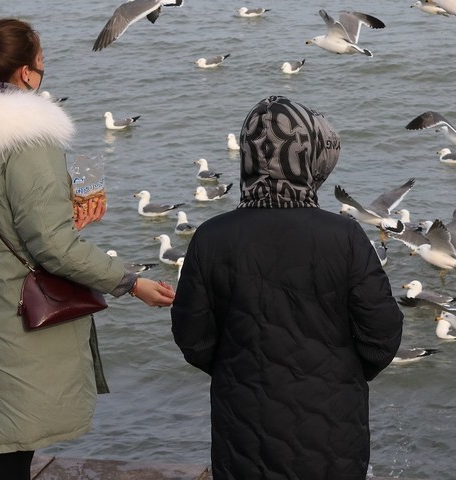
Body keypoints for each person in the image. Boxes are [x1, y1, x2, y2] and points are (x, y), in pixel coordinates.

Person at [0, 17, 174, 480]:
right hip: (11, 311)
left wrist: (59, 206)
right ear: (25, 74)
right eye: (41, 62)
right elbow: (53, 247)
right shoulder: (29, 141)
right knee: (14, 440)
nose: (43, 70)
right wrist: (130, 281)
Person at [172, 95, 403, 480]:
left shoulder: (211, 237)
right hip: (332, 428)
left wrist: (237, 369)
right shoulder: (344, 236)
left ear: (247, 154)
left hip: (242, 427)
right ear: (307, 155)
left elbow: (192, 338)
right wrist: (339, 374)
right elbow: (383, 336)